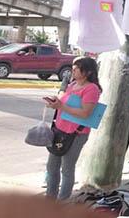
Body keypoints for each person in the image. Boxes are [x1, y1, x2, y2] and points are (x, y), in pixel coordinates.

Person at [43, 56, 102, 200]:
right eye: (72, 68)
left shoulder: (91, 89)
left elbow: (85, 113)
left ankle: (63, 201)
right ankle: (50, 198)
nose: (72, 71)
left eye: (76, 69)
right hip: (60, 130)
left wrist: (61, 106)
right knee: (52, 166)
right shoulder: (72, 84)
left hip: (76, 133)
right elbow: (64, 103)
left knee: (67, 168)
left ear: (87, 72)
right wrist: (55, 103)